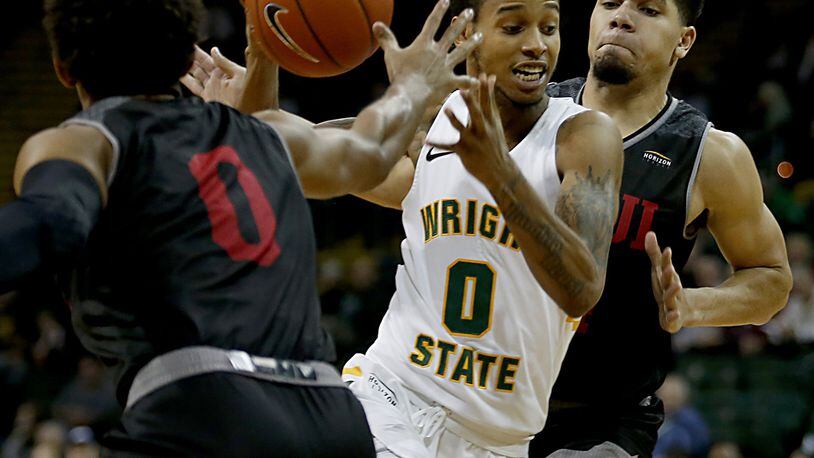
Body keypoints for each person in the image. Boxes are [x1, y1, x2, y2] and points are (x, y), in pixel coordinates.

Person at [0, 0, 481, 455]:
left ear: (63, 68)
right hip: (332, 416)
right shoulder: (265, 133)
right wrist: (412, 87)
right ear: (187, 47)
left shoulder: (87, 140)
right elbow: (370, 152)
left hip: (201, 413)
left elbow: (53, 222)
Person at [186, 0, 624, 456]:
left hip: (500, 439)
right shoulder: (428, 125)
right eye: (514, 27)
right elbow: (290, 157)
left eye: (549, 27)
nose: (536, 45)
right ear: (465, 37)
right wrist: (263, 53)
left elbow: (581, 288)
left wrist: (499, 174)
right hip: (392, 393)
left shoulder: (583, 136)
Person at [531, 0, 792, 456]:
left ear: (684, 41)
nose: (621, 17)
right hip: (484, 388)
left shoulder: (709, 155)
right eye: (610, 3)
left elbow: (771, 278)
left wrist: (690, 306)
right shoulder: (524, 113)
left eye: (649, 10)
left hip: (600, 422)